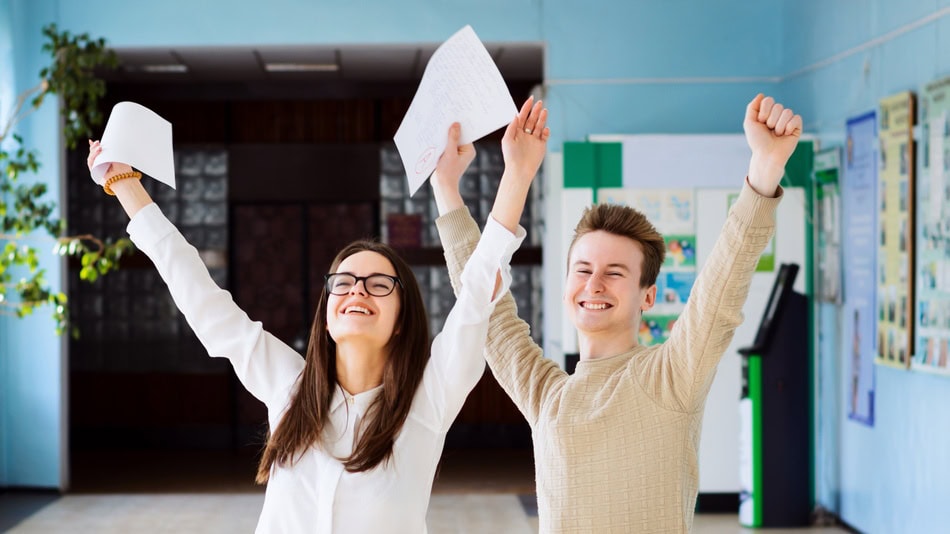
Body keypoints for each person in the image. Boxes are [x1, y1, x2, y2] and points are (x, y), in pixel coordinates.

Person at [84, 100, 542, 533]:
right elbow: (203, 301)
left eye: (378, 283)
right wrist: (123, 182)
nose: (356, 290)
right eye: (342, 282)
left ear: (402, 318)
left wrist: (517, 174)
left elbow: (480, 287)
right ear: (326, 317)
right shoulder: (290, 387)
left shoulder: (428, 399)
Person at [431, 94, 802, 532]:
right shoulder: (548, 395)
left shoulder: (670, 377)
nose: (593, 284)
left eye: (614, 273)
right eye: (583, 269)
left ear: (647, 296)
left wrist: (764, 169)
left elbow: (719, 293)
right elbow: (485, 311)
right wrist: (452, 187)